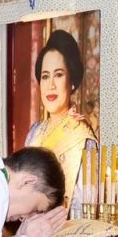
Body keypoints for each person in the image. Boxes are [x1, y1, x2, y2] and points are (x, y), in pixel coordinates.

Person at [24, 29, 96, 201]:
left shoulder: (82, 139)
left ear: (71, 82)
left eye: (58, 75)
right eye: (45, 76)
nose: (51, 85)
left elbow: (87, 202)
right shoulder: (34, 132)